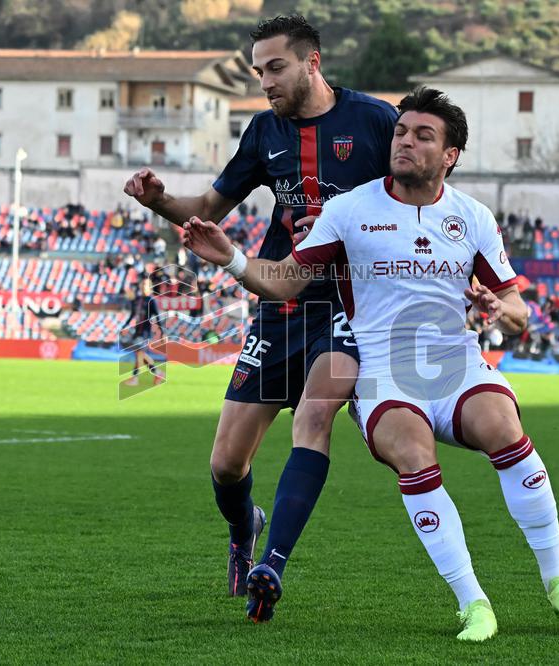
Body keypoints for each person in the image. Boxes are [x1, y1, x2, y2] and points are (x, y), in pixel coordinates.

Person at [181, 87, 559, 642]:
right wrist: (234, 258)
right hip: (382, 370)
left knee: (504, 428)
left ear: (450, 154)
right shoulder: (349, 210)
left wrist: (504, 308)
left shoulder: (473, 217)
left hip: (456, 364)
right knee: (412, 452)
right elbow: (285, 281)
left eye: (423, 135)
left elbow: (518, 308)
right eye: (401, 132)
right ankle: (473, 602)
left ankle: (558, 581)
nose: (405, 142)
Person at [122, 14, 398, 619]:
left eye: (275, 67)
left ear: (312, 62)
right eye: (258, 70)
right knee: (226, 463)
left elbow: (419, 194)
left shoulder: (375, 121)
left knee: (316, 417)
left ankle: (272, 564)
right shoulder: (262, 131)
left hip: (347, 307)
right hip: (278, 301)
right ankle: (245, 524)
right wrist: (158, 200)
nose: (265, 80)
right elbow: (206, 209)